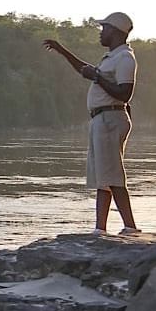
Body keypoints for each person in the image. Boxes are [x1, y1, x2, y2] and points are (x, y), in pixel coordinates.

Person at [43, 12, 141, 236]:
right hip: (102, 119)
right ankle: (100, 229)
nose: (101, 33)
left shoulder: (125, 58)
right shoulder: (112, 57)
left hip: (110, 118)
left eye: (104, 28)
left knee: (113, 174)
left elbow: (125, 93)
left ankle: (130, 227)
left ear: (116, 31)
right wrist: (61, 50)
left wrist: (97, 77)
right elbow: (85, 70)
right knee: (102, 176)